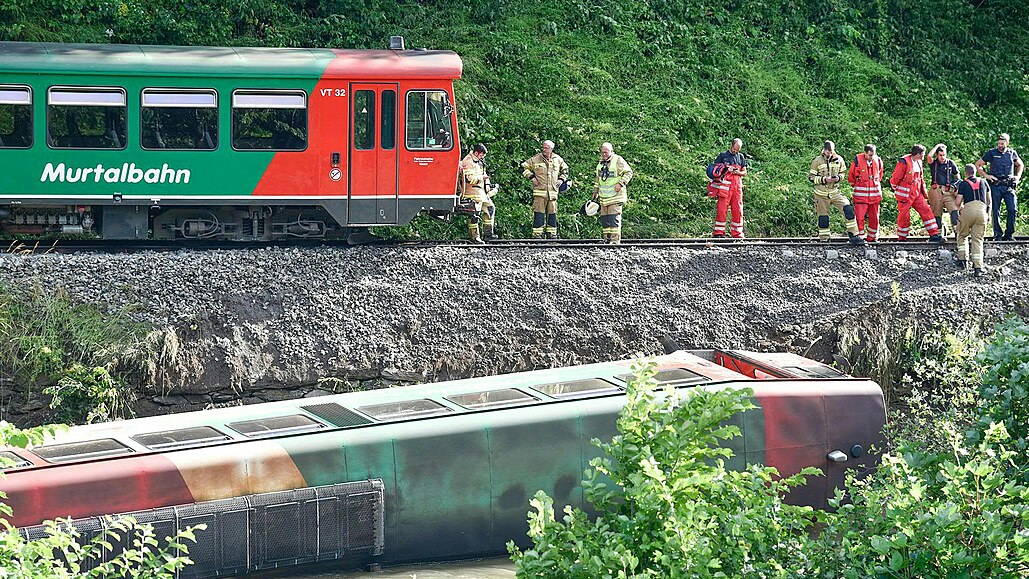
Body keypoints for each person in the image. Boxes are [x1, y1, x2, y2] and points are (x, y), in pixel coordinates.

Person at [808, 140, 864, 245]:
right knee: (823, 218)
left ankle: (854, 235)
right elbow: (811, 178)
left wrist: (838, 178)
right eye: (828, 152)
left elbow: (843, 173)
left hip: (835, 192)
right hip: (821, 194)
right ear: (824, 150)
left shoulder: (839, 159)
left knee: (848, 209)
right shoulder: (817, 161)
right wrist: (824, 179)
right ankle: (824, 239)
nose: (830, 154)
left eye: (831, 152)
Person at [888, 144, 944, 242]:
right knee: (904, 215)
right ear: (918, 154)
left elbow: (920, 178)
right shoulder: (904, 162)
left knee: (926, 211)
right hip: (906, 194)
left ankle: (934, 234)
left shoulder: (918, 162)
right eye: (923, 154)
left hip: (917, 193)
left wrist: (923, 191)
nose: (924, 156)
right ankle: (902, 237)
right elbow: (895, 179)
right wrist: (898, 190)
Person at [975, 133, 1023, 241]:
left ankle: (1009, 234)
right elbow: (978, 164)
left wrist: (1017, 177)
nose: (1000, 145)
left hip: (1008, 186)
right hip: (995, 185)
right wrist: (986, 176)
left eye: (1002, 143)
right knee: (995, 210)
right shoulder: (991, 153)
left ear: (1007, 143)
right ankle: (997, 234)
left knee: (1012, 209)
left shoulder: (1012, 153)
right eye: (999, 143)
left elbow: (1020, 164)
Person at [521, 140, 570, 239]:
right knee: (538, 214)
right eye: (543, 147)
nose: (544, 149)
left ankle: (551, 235)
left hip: (552, 193)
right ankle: (537, 235)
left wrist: (561, 180)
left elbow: (566, 170)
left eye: (546, 148)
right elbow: (522, 167)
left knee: (552, 214)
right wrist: (531, 177)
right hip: (539, 192)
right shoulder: (535, 159)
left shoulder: (558, 159)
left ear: (551, 149)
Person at [954, 163, 992, 276]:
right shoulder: (984, 182)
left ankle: (963, 261)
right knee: (978, 240)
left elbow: (957, 202)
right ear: (975, 171)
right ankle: (978, 268)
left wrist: (961, 210)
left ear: (966, 173)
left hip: (968, 210)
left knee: (962, 235)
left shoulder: (963, 184)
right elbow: (989, 200)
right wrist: (988, 214)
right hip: (982, 211)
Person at [593, 142, 633, 243]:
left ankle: (615, 242)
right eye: (602, 152)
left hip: (615, 197)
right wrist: (595, 191)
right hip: (604, 197)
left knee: (613, 219)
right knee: (605, 220)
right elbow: (599, 179)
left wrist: (620, 184)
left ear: (612, 151)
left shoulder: (618, 160)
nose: (604, 154)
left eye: (606, 152)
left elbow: (628, 172)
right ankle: (607, 240)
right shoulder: (601, 163)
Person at [459, 143, 496, 243]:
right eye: (481, 155)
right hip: (472, 193)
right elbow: (468, 179)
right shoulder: (468, 161)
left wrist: (488, 185)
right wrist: (481, 179)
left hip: (481, 193)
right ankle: (474, 237)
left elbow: (484, 174)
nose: (482, 157)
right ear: (476, 153)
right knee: (475, 214)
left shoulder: (479, 161)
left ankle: (488, 234)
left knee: (490, 209)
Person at [847, 144, 884, 242]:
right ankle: (860, 237)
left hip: (875, 195)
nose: (872, 157)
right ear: (865, 153)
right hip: (860, 196)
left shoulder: (878, 160)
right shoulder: (857, 161)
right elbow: (851, 176)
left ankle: (873, 237)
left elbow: (880, 175)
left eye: (873, 154)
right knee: (859, 217)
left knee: (874, 217)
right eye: (870, 155)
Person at [711, 138, 747, 238]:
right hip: (725, 187)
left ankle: (737, 234)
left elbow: (744, 172)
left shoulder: (741, 157)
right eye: (735, 149)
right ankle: (719, 233)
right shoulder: (723, 156)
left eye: (738, 150)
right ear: (731, 146)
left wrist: (737, 172)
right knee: (722, 209)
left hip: (737, 187)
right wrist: (726, 169)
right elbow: (715, 170)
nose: (736, 151)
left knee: (738, 210)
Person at [927, 143, 961, 236]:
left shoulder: (950, 163)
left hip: (948, 190)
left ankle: (957, 233)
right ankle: (939, 234)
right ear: (937, 155)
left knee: (954, 210)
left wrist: (954, 185)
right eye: (940, 155)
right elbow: (929, 156)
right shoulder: (934, 163)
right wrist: (937, 146)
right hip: (936, 190)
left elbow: (957, 176)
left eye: (944, 155)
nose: (942, 157)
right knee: (936, 213)